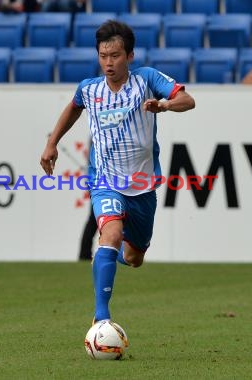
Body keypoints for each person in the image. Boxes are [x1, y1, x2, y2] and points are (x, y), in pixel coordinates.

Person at [40, 20, 195, 323]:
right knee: (109, 234)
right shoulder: (89, 89)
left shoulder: (147, 80)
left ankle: (107, 259)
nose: (108, 63)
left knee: (134, 258)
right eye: (103, 56)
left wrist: (163, 106)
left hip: (142, 185)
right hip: (105, 180)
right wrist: (52, 143)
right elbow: (73, 107)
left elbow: (187, 101)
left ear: (130, 56)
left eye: (116, 56)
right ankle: (101, 319)